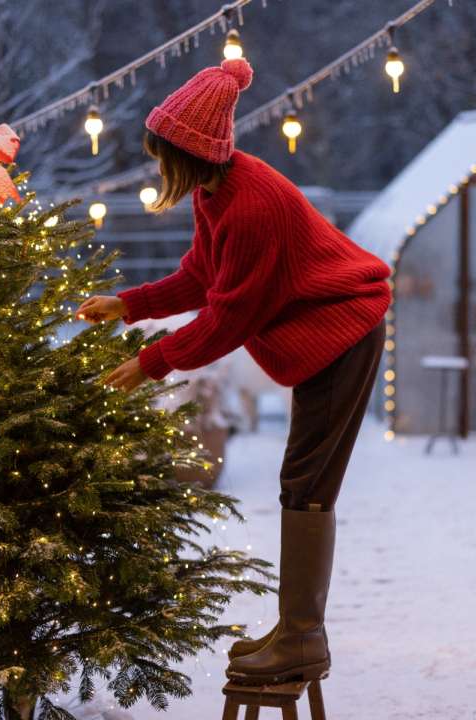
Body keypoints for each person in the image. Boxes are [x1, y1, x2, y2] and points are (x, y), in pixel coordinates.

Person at [75, 57, 391, 686]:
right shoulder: (216, 193)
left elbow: (229, 320)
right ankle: (296, 627)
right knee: (301, 478)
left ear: (190, 153)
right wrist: (131, 305)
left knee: (307, 480)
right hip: (319, 337)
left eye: (162, 154)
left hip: (342, 332)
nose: (158, 166)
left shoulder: (251, 204)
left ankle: (303, 636)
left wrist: (151, 362)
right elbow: (201, 276)